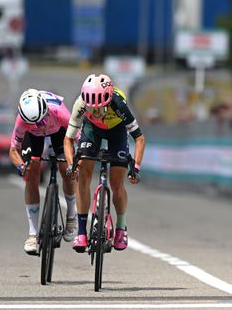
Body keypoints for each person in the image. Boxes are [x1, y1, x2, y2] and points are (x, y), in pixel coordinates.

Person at [63, 74, 145, 253]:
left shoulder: (119, 104)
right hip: (92, 130)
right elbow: (68, 139)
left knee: (117, 183)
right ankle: (82, 232)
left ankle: (121, 228)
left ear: (108, 101)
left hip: (117, 132)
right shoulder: (81, 104)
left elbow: (139, 138)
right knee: (82, 172)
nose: (96, 112)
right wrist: (71, 164)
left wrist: (136, 168)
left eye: (100, 108)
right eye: (92, 108)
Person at [8, 89, 78, 255]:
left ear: (45, 110)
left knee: (67, 169)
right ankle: (32, 234)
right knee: (31, 174)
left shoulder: (59, 112)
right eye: (35, 123)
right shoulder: (22, 121)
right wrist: (21, 167)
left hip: (59, 131)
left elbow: (77, 139)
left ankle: (71, 215)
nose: (41, 125)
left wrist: (75, 163)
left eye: (41, 120)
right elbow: (13, 150)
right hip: (33, 137)